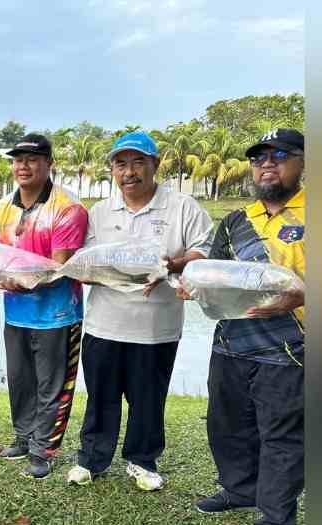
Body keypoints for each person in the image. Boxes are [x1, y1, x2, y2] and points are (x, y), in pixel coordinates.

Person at [183, 129, 305, 525]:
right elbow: (216, 273)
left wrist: (303, 294)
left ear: (302, 162)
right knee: (226, 423)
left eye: (280, 155)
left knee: (282, 438)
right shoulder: (236, 219)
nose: (267, 164)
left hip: (291, 347)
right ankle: (239, 490)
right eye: (259, 158)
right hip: (232, 340)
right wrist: (193, 284)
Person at [71, 131, 212, 491]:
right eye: (121, 164)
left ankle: (141, 460)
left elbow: (202, 253)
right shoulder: (99, 213)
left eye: (137, 162)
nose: (129, 172)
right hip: (104, 323)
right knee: (101, 396)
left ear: (155, 165)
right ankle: (92, 459)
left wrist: (171, 265)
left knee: (148, 397)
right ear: (113, 171)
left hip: (156, 326)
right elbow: (87, 261)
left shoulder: (183, 207)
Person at [0, 133, 88, 479]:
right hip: (15, 312)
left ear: (49, 164)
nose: (23, 166)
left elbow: (60, 267)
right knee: (19, 380)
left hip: (58, 314)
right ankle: (23, 436)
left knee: (52, 385)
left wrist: (18, 279)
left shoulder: (67, 207)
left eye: (32, 159)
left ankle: (43, 448)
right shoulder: (1, 208)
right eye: (18, 159)